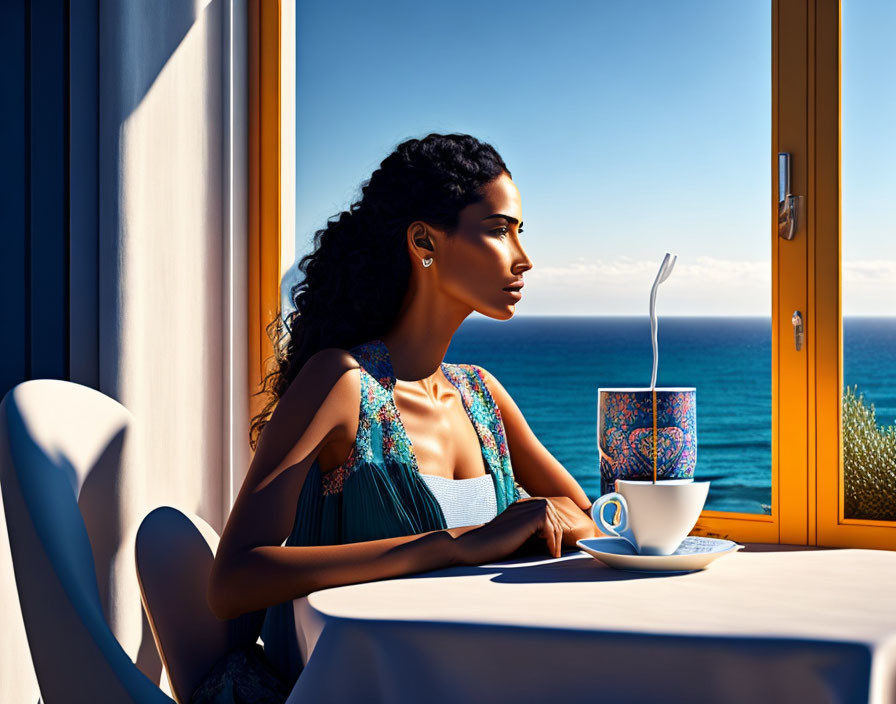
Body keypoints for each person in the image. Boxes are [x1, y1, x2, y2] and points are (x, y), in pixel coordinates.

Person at [193, 133, 598, 703]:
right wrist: (454, 544)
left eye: (519, 232)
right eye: (499, 229)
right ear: (424, 242)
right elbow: (233, 581)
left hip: (470, 677)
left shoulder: (482, 394)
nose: (523, 258)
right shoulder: (340, 384)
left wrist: (537, 526)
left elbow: (589, 523)